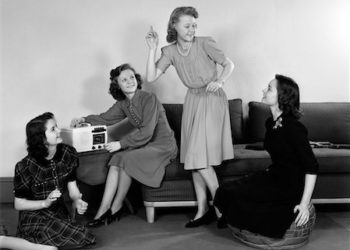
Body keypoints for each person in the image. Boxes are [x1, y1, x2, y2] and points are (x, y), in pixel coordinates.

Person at [145, 6, 234, 228]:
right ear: (174, 25)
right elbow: (150, 76)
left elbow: (229, 64)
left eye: (194, 25)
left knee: (197, 156)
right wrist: (152, 49)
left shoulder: (205, 43)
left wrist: (220, 80)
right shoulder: (169, 51)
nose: (192, 29)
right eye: (187, 25)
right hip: (193, 100)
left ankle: (222, 207)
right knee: (194, 159)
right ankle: (203, 209)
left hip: (211, 97)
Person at [71, 63, 178, 227]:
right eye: (124, 80)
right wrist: (83, 119)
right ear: (118, 85)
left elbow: (148, 131)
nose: (129, 81)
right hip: (146, 146)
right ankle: (105, 209)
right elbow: (104, 118)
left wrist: (120, 143)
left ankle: (115, 206)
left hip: (162, 145)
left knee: (124, 156)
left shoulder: (149, 98)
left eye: (131, 77)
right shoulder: (123, 104)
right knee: (116, 159)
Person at [214, 75, 318, 238]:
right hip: (273, 175)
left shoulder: (294, 128)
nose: (264, 90)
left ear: (282, 96)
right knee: (225, 190)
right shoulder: (271, 122)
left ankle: (242, 221)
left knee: (239, 196)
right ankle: (231, 218)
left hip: (288, 186)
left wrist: (304, 204)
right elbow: (279, 148)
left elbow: (312, 166)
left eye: (269, 88)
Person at [13, 112, 95, 249]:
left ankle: (32, 244)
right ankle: (8, 240)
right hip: (34, 214)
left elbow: (72, 186)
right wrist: (45, 203)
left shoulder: (68, 153)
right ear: (41, 139)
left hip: (57, 211)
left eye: (56, 126)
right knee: (55, 241)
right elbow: (19, 204)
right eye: (53, 129)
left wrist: (77, 200)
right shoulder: (24, 166)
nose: (59, 130)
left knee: (86, 237)